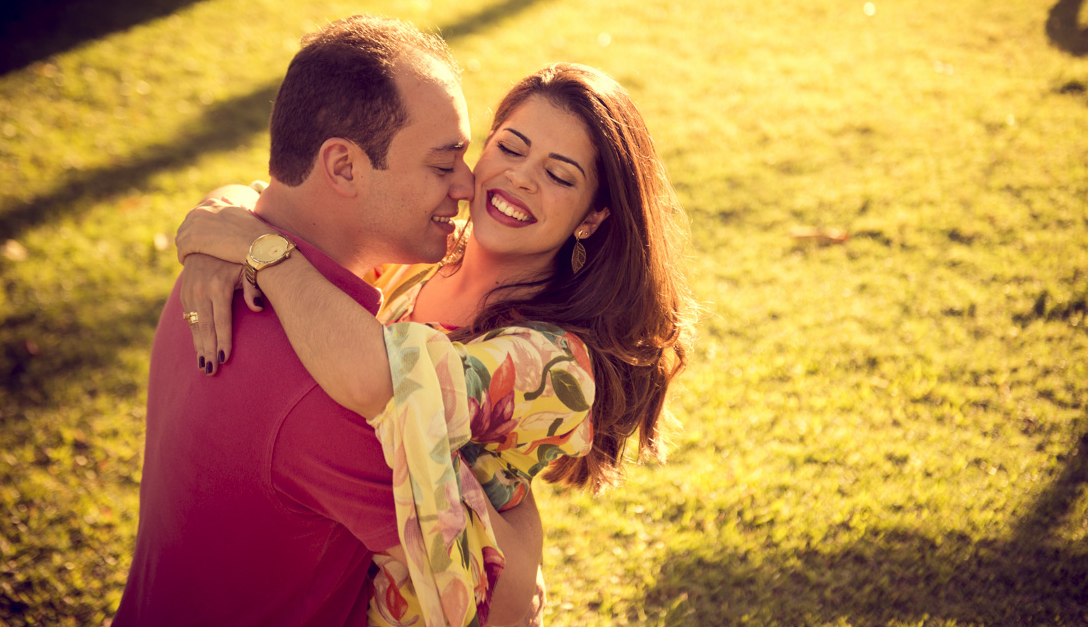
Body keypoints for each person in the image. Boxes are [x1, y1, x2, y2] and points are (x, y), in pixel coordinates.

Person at [174, 62, 698, 624]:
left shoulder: (555, 364)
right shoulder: (428, 251)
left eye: (559, 175)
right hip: (317, 585)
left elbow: (383, 381)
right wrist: (217, 217)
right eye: (510, 148)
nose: (521, 178)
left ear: (592, 218)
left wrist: (261, 250)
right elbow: (290, 203)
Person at [114, 15, 545, 627]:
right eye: (442, 163)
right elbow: (498, 604)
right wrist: (519, 504)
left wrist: (224, 208)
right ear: (342, 167)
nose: (467, 184)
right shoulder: (337, 391)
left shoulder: (214, 270)